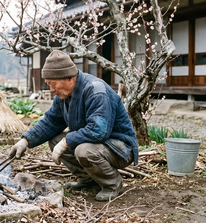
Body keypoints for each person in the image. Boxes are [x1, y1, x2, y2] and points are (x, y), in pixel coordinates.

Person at [9, 50, 139, 201]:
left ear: (70, 78)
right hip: (99, 144)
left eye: (53, 84)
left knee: (83, 150)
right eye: (48, 84)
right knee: (55, 139)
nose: (51, 89)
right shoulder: (64, 95)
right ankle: (89, 180)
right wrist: (25, 141)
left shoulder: (96, 91)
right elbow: (51, 122)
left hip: (120, 147)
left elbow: (98, 131)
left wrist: (66, 142)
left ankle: (112, 184)